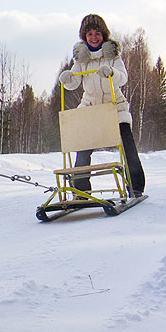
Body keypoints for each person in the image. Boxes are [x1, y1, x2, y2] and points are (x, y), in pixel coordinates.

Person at [58, 13, 146, 197]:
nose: (94, 37)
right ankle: (81, 189)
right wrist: (67, 79)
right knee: (82, 148)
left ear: (103, 34)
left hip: (115, 108)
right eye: (89, 34)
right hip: (90, 108)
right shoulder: (81, 59)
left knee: (127, 145)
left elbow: (123, 78)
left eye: (97, 33)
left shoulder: (112, 55)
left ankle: (136, 185)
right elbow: (74, 83)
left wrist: (111, 72)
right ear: (84, 36)